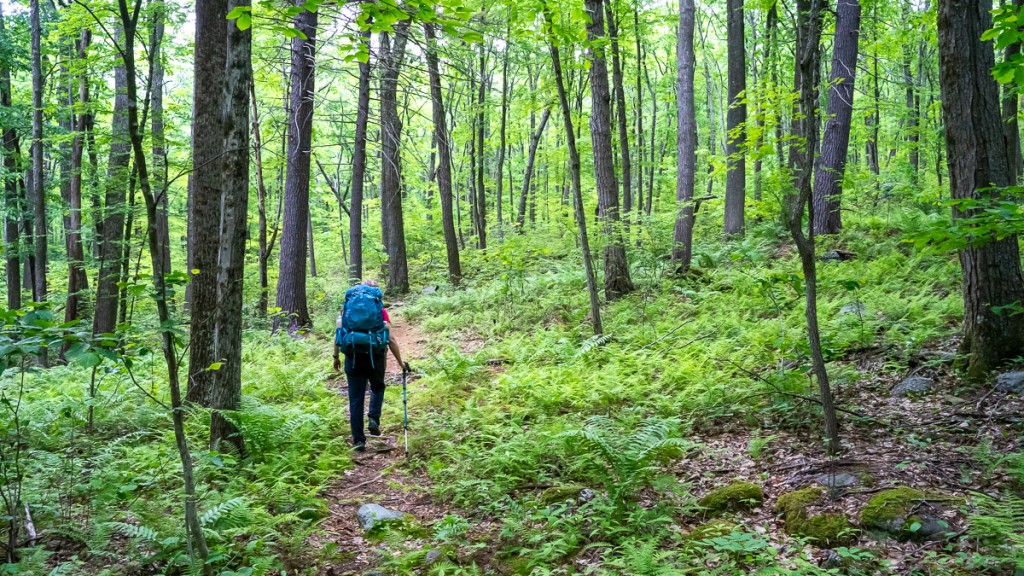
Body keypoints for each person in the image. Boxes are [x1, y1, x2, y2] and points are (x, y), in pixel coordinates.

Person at [334, 280, 409, 452]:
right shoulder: (380, 310)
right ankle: (374, 418)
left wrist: (336, 356)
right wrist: (400, 363)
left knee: (356, 398)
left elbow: (339, 333)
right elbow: (390, 339)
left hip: (352, 357)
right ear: (376, 294)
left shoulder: (348, 310)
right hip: (375, 357)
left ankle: (359, 442)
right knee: (378, 387)